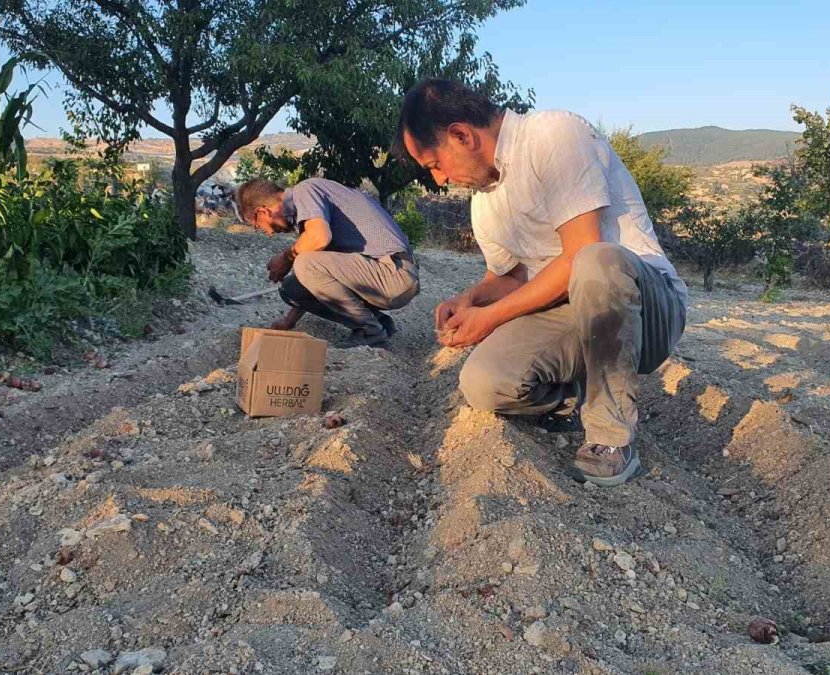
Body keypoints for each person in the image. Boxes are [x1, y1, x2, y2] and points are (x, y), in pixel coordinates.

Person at [394, 79, 687, 486]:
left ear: (461, 135)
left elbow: (580, 252)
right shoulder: (485, 202)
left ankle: (610, 437)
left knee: (595, 261)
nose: (440, 179)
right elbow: (510, 276)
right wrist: (472, 300)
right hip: (573, 309)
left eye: (435, 165)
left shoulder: (553, 134)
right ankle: (577, 400)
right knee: (483, 384)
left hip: (643, 306)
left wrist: (491, 317)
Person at [234, 177, 420, 347]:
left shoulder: (305, 190)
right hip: (383, 275)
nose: (269, 233)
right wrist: (288, 322)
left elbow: (319, 239)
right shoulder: (313, 212)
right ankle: (378, 323)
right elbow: (320, 278)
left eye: (259, 226)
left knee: (305, 263)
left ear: (263, 211)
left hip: (394, 273)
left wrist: (286, 257)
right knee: (291, 288)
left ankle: (369, 331)